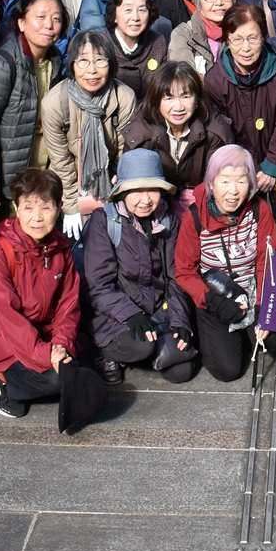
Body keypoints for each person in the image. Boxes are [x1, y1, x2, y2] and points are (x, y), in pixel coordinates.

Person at [0, 167, 107, 432]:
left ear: (58, 208)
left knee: (76, 364)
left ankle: (44, 371)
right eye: (28, 208)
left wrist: (61, 346)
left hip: (45, 333)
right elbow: (9, 321)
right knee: (58, 381)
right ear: (16, 208)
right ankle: (0, 377)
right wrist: (47, 356)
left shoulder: (61, 249)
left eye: (45, 208)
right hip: (5, 336)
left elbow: (68, 306)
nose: (36, 218)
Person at [173, 144, 276, 382]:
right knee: (227, 370)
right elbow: (184, 271)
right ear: (211, 184)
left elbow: (266, 262)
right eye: (225, 181)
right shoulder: (195, 217)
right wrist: (211, 301)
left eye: (241, 181)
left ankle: (247, 332)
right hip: (215, 295)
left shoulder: (260, 210)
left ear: (250, 184)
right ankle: (214, 332)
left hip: (250, 289)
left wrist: (263, 306)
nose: (233, 191)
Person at [82, 150, 199, 385]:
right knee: (141, 347)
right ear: (122, 191)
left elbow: (176, 277)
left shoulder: (169, 220)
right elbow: (99, 285)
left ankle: (154, 345)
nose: (145, 199)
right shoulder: (104, 221)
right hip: (115, 313)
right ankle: (105, 352)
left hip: (157, 310)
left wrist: (180, 321)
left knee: (182, 371)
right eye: (136, 190)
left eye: (152, 190)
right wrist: (131, 314)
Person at [39, 29, 137, 240]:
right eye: (83, 61)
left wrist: (116, 191)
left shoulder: (124, 97)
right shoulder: (55, 102)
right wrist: (72, 205)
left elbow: (124, 152)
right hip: (68, 185)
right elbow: (60, 161)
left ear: (111, 64)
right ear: (71, 65)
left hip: (109, 183)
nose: (92, 70)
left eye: (100, 61)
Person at [0, 0, 69, 193]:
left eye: (56, 18)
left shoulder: (57, 63)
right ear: (21, 22)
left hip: (48, 174)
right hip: (13, 179)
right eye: (41, 17)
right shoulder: (2, 65)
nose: (49, 25)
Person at [203, 4, 276, 192]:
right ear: (227, 41)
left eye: (253, 38)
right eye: (237, 39)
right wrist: (243, 169)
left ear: (263, 37)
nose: (245, 48)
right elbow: (219, 133)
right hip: (235, 166)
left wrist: (272, 167)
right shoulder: (215, 79)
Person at [123, 60, 233, 194]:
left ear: (197, 100)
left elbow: (221, 183)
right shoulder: (141, 134)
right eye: (169, 98)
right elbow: (135, 189)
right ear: (156, 101)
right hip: (156, 205)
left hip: (201, 202)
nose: (178, 107)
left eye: (185, 96)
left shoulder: (214, 134)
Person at [107, 0, 170, 93]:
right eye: (128, 10)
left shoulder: (158, 42)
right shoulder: (101, 45)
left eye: (142, 10)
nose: (135, 17)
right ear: (114, 15)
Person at [169, 0, 234, 77]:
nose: (219, 2)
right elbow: (184, 78)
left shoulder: (240, 30)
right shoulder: (183, 34)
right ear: (198, 3)